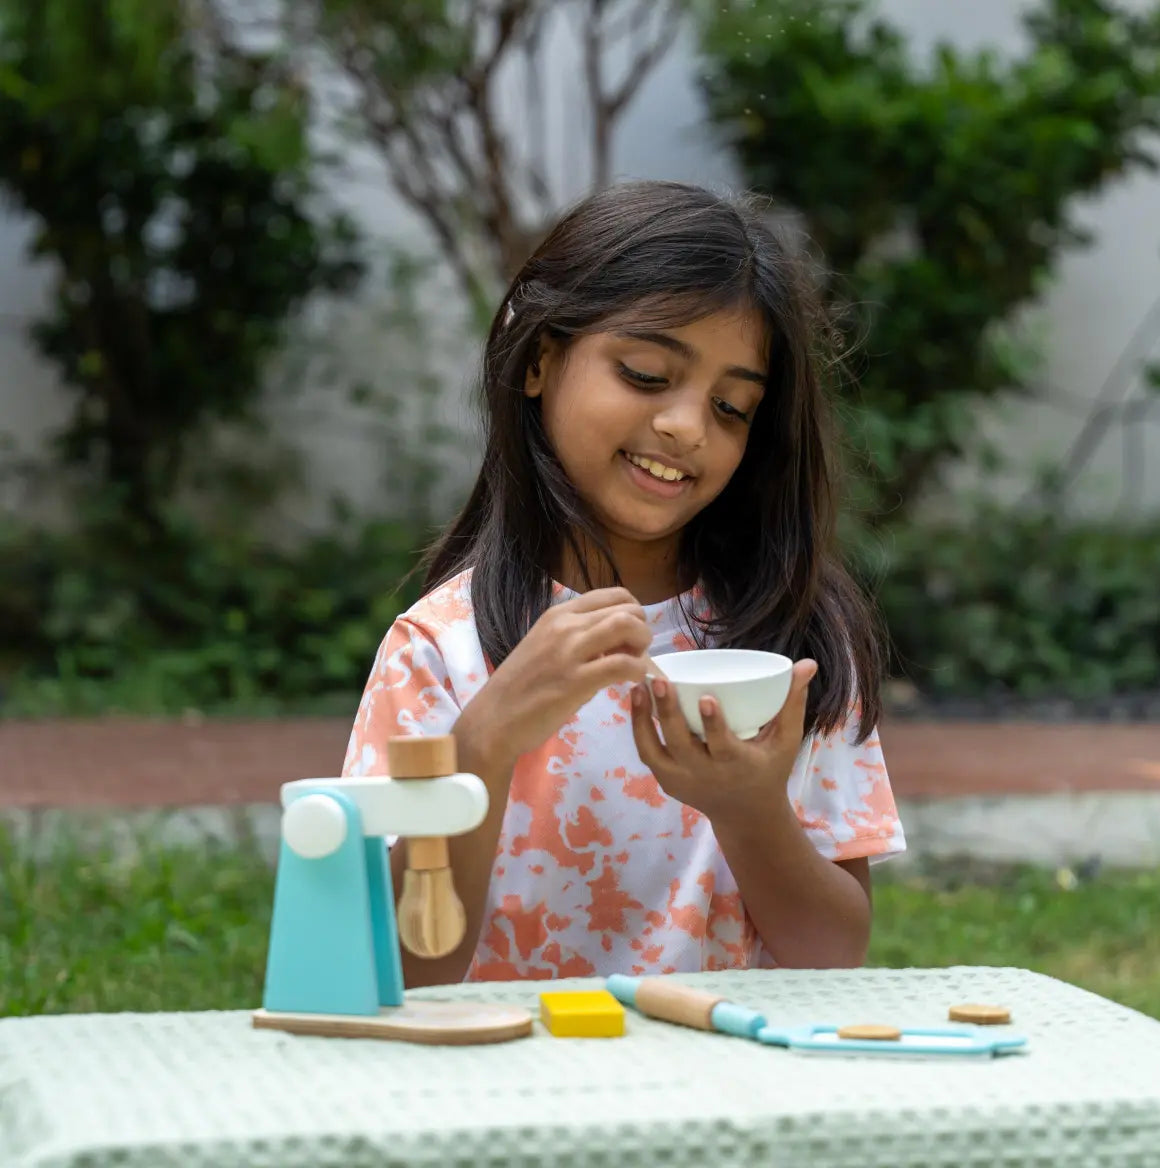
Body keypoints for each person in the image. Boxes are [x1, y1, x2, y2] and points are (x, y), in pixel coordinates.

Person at [343, 180, 905, 988]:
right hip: (501, 1090)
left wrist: (750, 811)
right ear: (539, 361)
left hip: (725, 1089)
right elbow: (399, 971)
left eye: (732, 406)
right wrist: (483, 744)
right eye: (646, 374)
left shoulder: (788, 646)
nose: (686, 425)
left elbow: (831, 954)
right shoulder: (439, 651)